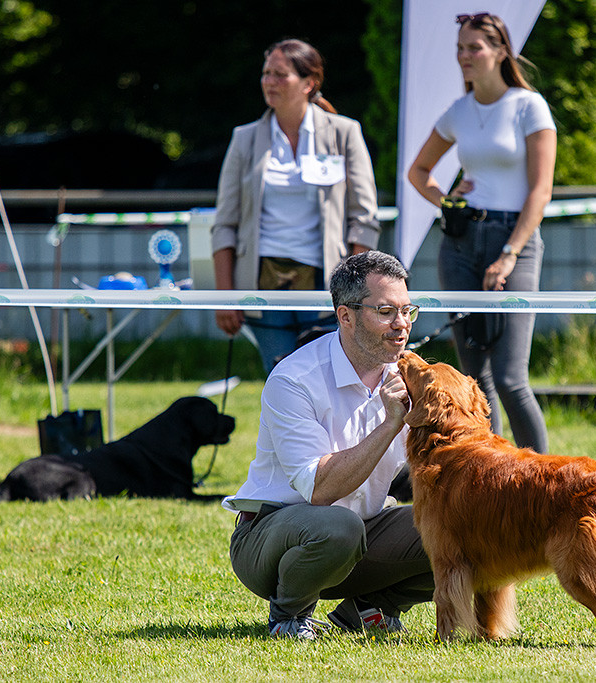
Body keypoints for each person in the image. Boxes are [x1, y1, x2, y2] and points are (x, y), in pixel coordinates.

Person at [223, 250, 434, 640]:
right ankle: (289, 615)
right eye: (386, 311)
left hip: (363, 530)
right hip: (272, 537)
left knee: (459, 527)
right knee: (338, 526)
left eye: (408, 311)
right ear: (346, 316)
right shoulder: (294, 379)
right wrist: (391, 424)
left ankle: (369, 610)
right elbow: (320, 491)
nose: (401, 325)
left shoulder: (408, 373)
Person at [407, 12, 556, 454]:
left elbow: (541, 191)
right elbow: (418, 172)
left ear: (501, 51)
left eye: (474, 48)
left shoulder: (530, 106)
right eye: (459, 49)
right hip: (460, 245)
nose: (464, 57)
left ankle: (540, 486)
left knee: (511, 379)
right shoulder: (459, 111)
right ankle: (485, 485)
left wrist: (510, 253)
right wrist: (447, 202)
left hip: (516, 241)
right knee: (476, 381)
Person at [211, 38, 382, 374]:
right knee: (281, 382)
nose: (269, 82)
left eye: (279, 74)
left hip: (329, 284)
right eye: (265, 73)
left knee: (332, 383)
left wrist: (359, 291)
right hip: (262, 283)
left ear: (309, 83)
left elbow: (363, 218)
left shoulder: (345, 133)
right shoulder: (244, 138)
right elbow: (224, 225)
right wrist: (225, 296)